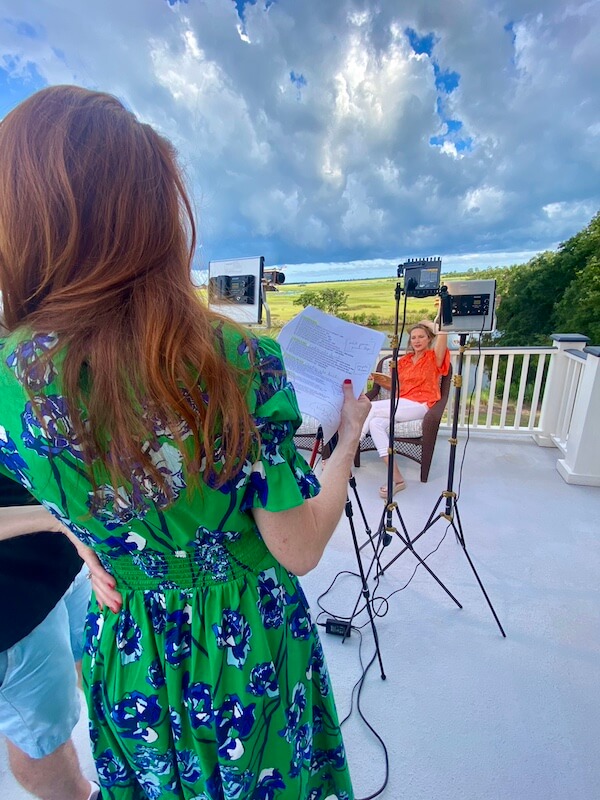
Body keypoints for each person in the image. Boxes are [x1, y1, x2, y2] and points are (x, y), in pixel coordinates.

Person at [0, 85, 370, 800]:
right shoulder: (233, 359)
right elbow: (298, 549)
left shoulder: (10, 387)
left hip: (130, 650)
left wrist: (81, 533)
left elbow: (77, 492)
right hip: (246, 649)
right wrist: (348, 441)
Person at [0, 472, 99, 800]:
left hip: (69, 550)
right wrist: (55, 517)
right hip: (13, 611)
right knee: (43, 740)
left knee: (99, 663)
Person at [361, 320, 449, 497]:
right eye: (413, 337)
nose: (417, 341)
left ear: (429, 339)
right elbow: (396, 388)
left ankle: (353, 443)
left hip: (420, 405)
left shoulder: (434, 357)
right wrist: (380, 381)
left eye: (421, 337)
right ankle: (398, 479)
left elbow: (442, 334)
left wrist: (428, 323)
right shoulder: (404, 361)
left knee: (368, 406)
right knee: (376, 423)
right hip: (401, 402)